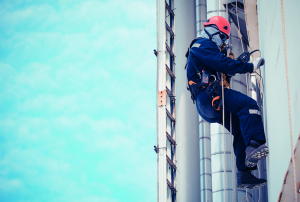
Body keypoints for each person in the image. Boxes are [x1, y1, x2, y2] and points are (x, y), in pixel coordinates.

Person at [186, 16, 269, 189]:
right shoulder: (202, 44)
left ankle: (244, 174)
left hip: (206, 103)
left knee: (240, 126)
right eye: (222, 37)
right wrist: (249, 67)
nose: (223, 42)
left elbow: (221, 67)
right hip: (210, 96)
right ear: (214, 31)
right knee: (249, 105)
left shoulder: (204, 50)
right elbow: (222, 63)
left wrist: (236, 63)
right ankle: (254, 144)